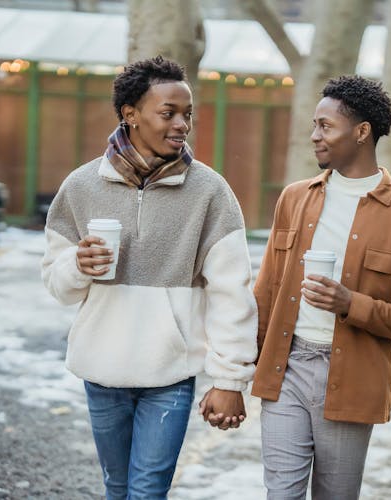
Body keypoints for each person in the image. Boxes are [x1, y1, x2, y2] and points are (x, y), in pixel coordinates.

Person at [41, 56, 257, 499]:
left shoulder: (211, 193)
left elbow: (232, 294)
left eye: (188, 114)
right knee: (117, 488)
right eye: (168, 113)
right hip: (101, 372)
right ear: (130, 114)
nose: (182, 124)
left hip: (170, 376)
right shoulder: (81, 187)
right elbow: (56, 283)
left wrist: (230, 379)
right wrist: (76, 266)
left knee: (147, 490)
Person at [250, 75, 391, 499]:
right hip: (287, 366)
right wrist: (233, 376)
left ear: (361, 132)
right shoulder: (295, 198)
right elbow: (266, 291)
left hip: (353, 377)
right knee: (280, 493)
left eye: (325, 126)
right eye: (315, 125)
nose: (314, 136)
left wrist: (351, 303)